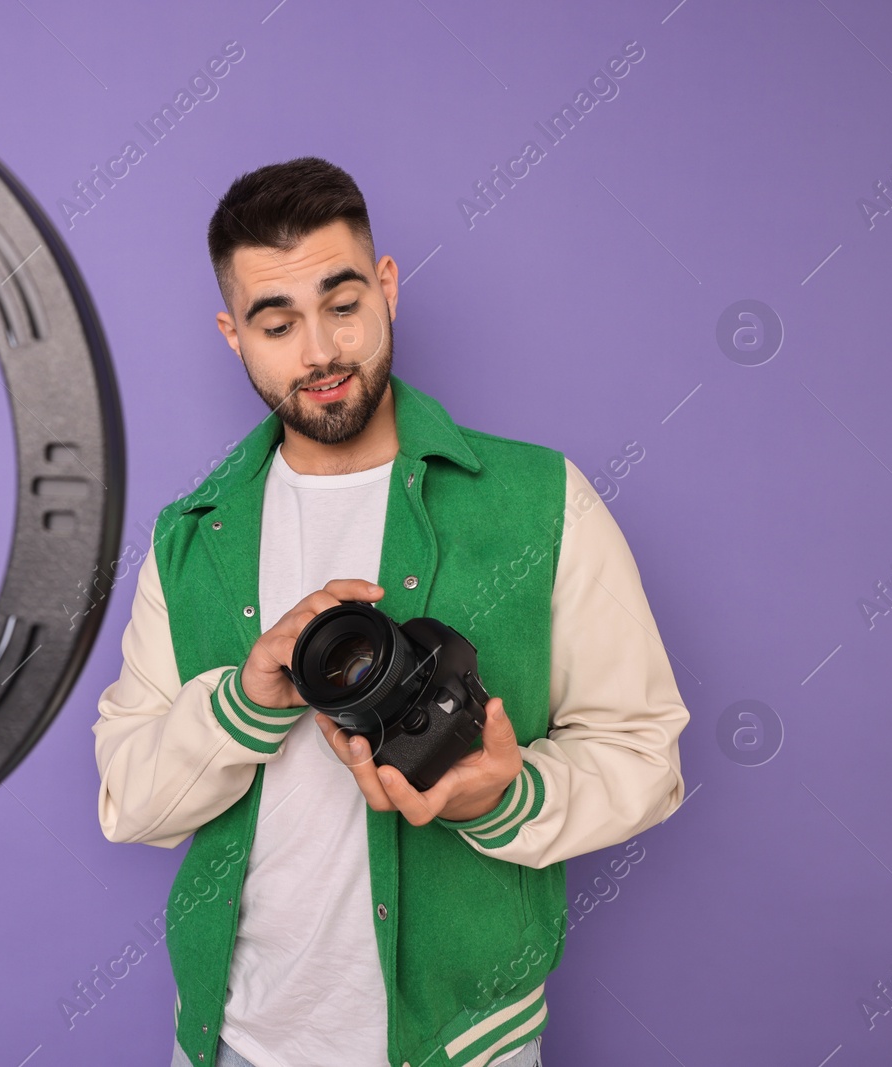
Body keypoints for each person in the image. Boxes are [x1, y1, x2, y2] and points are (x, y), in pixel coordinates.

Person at [92, 157, 688, 1067]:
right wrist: (243, 706)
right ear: (233, 335)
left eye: (342, 305)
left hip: (465, 1045)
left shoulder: (539, 499)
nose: (320, 351)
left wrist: (504, 793)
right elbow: (131, 802)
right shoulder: (192, 539)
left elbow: (645, 754)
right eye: (277, 322)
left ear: (387, 286)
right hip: (231, 1043)